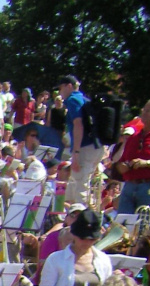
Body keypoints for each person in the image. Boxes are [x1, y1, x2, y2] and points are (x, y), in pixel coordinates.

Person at [112, 99, 150, 228]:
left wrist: (147, 163)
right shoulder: (134, 137)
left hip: (149, 186)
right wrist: (122, 167)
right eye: (144, 109)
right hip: (129, 186)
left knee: (145, 228)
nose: (144, 112)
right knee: (122, 227)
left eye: (149, 110)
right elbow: (121, 162)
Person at [59, 75, 105, 207]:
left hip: (84, 147)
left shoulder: (73, 99)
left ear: (69, 86)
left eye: (61, 88)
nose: (59, 92)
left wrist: (76, 152)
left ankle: (80, 219)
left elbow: (78, 125)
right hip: (96, 146)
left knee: (80, 186)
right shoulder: (84, 99)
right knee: (80, 182)